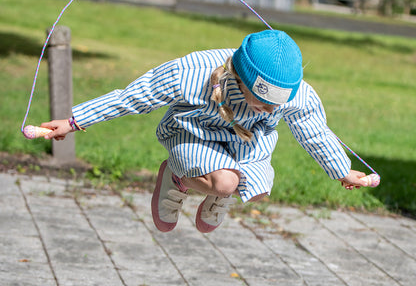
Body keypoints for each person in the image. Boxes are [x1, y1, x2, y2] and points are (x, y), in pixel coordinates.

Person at [41, 29, 369, 233]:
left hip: (245, 145)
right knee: (225, 182)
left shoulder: (294, 95)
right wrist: (73, 121)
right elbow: (134, 97)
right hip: (193, 133)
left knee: (257, 188)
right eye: (264, 101)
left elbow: (314, 130)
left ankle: (219, 194)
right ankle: (176, 177)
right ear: (240, 77)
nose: (272, 109)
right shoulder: (191, 74)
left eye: (278, 104)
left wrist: (340, 170)